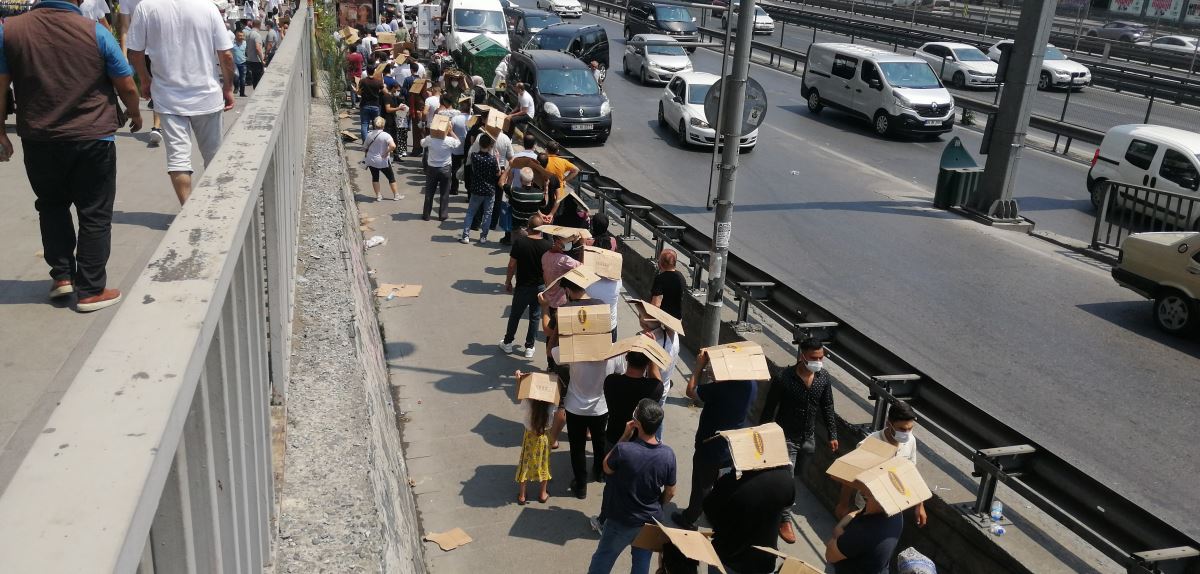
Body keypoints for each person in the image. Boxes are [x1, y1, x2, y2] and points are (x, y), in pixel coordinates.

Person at [0, 0, 143, 312]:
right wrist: (135, 114)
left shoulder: (9, 30)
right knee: (94, 213)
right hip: (92, 137)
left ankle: (63, 277)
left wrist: (0, 131)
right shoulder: (95, 32)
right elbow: (126, 85)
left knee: (51, 206)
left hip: (39, 138)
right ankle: (91, 289)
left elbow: (0, 86)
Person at [128, 0, 235, 205]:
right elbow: (226, 55)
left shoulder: (147, 7)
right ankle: (215, 208)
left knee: (178, 159)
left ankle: (187, 210)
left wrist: (145, 79)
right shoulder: (207, 7)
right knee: (214, 157)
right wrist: (228, 87)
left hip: (168, 98)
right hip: (207, 96)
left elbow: (135, 52)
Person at [759, 338, 840, 544]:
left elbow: (828, 407)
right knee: (788, 478)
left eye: (821, 357)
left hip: (808, 439)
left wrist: (833, 434)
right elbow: (769, 408)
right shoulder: (784, 378)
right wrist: (761, 435)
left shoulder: (823, 378)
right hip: (785, 437)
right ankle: (784, 519)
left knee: (797, 475)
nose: (819, 361)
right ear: (802, 355)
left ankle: (775, 499)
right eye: (814, 358)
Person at [552, 277, 625, 499]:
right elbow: (621, 370)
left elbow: (552, 353)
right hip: (600, 407)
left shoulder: (573, 352)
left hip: (575, 406)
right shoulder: (611, 352)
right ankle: (600, 474)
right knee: (600, 441)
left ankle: (581, 485)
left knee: (576, 447)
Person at [586, 399, 675, 574]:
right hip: (650, 521)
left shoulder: (624, 450)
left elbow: (606, 467)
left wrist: (625, 435)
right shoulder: (668, 455)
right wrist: (658, 504)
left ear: (637, 424)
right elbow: (671, 491)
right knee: (641, 565)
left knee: (603, 559)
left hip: (621, 519)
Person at [671, 348, 757, 530]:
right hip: (732, 445)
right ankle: (714, 513)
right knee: (721, 483)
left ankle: (690, 518)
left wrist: (699, 367)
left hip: (710, 445)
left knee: (702, 485)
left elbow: (691, 391)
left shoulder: (721, 389)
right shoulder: (751, 385)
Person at [835, 402, 926, 528]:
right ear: (889, 424)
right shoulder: (870, 445)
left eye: (910, 428)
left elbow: (911, 472)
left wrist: (920, 505)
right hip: (867, 506)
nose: (907, 433)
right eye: (902, 429)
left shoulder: (910, 440)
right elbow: (850, 475)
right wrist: (843, 504)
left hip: (895, 504)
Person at [705, 465, 796, 574]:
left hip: (729, 560)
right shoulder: (786, 478)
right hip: (763, 562)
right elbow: (787, 502)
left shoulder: (730, 482)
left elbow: (710, 512)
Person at [826, 483, 904, 574]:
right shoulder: (896, 513)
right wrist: (840, 526)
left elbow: (830, 555)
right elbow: (858, 512)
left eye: (866, 497)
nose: (863, 492)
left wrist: (839, 533)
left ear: (881, 501)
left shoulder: (862, 533)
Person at [502, 213, 550, 359]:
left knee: (515, 315)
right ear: (541, 228)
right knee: (535, 317)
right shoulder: (547, 246)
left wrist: (508, 281)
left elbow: (511, 265)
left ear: (528, 227)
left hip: (522, 286)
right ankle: (530, 346)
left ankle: (508, 342)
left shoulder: (520, 243)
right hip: (540, 286)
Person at [603, 351, 664, 452]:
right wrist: (651, 352)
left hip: (613, 436)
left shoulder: (611, 381)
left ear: (626, 358)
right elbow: (658, 381)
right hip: (638, 444)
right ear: (648, 362)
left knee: (609, 465)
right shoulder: (653, 388)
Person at [512, 377, 554, 505]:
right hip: (544, 437)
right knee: (544, 463)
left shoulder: (528, 401)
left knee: (525, 463)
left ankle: (522, 496)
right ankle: (542, 493)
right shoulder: (551, 404)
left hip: (529, 436)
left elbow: (519, 397)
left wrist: (519, 381)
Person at [461, 133, 498, 244]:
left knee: (470, 212)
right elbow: (497, 173)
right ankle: (483, 237)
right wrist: (497, 158)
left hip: (476, 189)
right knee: (487, 214)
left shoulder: (474, 156)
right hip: (489, 190)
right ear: (490, 146)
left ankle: (465, 236)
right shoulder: (492, 160)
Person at [420, 127, 460, 221]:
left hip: (431, 169)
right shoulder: (449, 140)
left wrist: (429, 134)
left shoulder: (430, 139)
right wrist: (451, 132)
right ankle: (443, 215)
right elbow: (458, 142)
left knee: (429, 192)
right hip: (445, 169)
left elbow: (422, 143)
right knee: (444, 193)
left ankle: (426, 215)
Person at [363, 116, 401, 201]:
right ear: (383, 125)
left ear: (374, 124)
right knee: (391, 177)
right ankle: (396, 195)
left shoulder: (369, 134)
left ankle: (378, 196)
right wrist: (386, 152)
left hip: (372, 160)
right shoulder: (386, 135)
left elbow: (365, 147)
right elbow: (393, 146)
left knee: (375, 177)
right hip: (383, 160)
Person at [651, 249, 687, 319]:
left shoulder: (660, 278)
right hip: (677, 318)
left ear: (660, 263)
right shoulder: (681, 277)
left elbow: (656, 304)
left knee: (642, 318)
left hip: (664, 318)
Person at [382, 81, 409, 160]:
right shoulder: (386, 96)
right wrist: (399, 108)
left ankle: (396, 155)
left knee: (395, 139)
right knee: (387, 139)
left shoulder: (393, 96)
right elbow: (388, 109)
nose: (398, 92)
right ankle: (386, 157)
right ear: (393, 88)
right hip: (387, 120)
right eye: (397, 90)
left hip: (393, 120)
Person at [357, 67, 384, 142]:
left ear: (367, 72)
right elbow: (382, 89)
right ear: (374, 72)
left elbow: (359, 91)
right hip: (375, 105)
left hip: (365, 104)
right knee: (376, 125)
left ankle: (365, 143)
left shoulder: (363, 81)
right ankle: (375, 142)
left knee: (364, 124)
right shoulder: (378, 82)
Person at [243, 19, 264, 89]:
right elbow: (258, 48)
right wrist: (262, 60)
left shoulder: (248, 34)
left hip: (250, 59)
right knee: (258, 81)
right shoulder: (257, 35)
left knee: (254, 81)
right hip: (256, 61)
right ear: (259, 25)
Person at [345, 41, 364, 105]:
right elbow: (362, 63)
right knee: (359, 89)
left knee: (352, 90)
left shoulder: (348, 57)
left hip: (351, 74)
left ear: (350, 49)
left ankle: (353, 104)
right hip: (358, 73)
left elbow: (346, 65)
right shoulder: (360, 56)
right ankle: (360, 103)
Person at [232, 30, 247, 96]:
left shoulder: (245, 43)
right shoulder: (232, 44)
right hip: (234, 64)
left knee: (243, 79)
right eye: (239, 36)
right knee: (236, 77)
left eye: (242, 35)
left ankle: (242, 93)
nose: (241, 37)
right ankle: (236, 87)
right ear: (236, 36)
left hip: (243, 63)